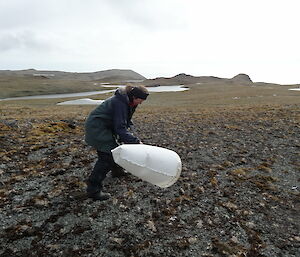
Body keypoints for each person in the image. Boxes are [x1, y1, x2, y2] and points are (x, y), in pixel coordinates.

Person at [84, 85, 149, 201]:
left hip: (106, 127)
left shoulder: (128, 101)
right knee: (106, 157)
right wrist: (136, 142)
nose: (141, 103)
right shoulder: (120, 103)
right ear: (134, 96)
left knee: (115, 149)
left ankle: (117, 171)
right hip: (97, 128)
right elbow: (120, 128)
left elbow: (125, 121)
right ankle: (93, 190)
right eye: (140, 100)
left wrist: (131, 135)